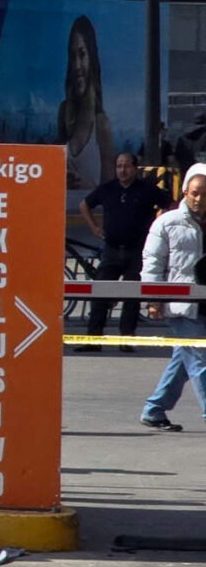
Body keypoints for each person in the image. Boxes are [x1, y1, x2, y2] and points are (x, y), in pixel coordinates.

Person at [138, 164, 206, 431]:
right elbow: (152, 264)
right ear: (186, 192)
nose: (199, 199)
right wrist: (153, 299)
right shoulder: (167, 223)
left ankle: (154, 409)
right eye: (195, 193)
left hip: (204, 306)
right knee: (200, 359)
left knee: (184, 358)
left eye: (205, 194)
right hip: (182, 306)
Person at [83, 150, 169, 340]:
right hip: (112, 250)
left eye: (126, 166)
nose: (122, 170)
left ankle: (126, 338)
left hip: (136, 251)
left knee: (132, 297)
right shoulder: (107, 188)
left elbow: (169, 204)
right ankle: (92, 339)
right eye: (119, 166)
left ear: (135, 168)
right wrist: (94, 228)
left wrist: (159, 226)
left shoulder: (146, 189)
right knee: (100, 294)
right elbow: (85, 205)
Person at [58, 12, 117, 196]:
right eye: (72, 55)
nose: (77, 65)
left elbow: (109, 185)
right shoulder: (64, 112)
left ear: (91, 58)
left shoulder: (101, 124)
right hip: (62, 212)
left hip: (91, 213)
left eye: (82, 54)